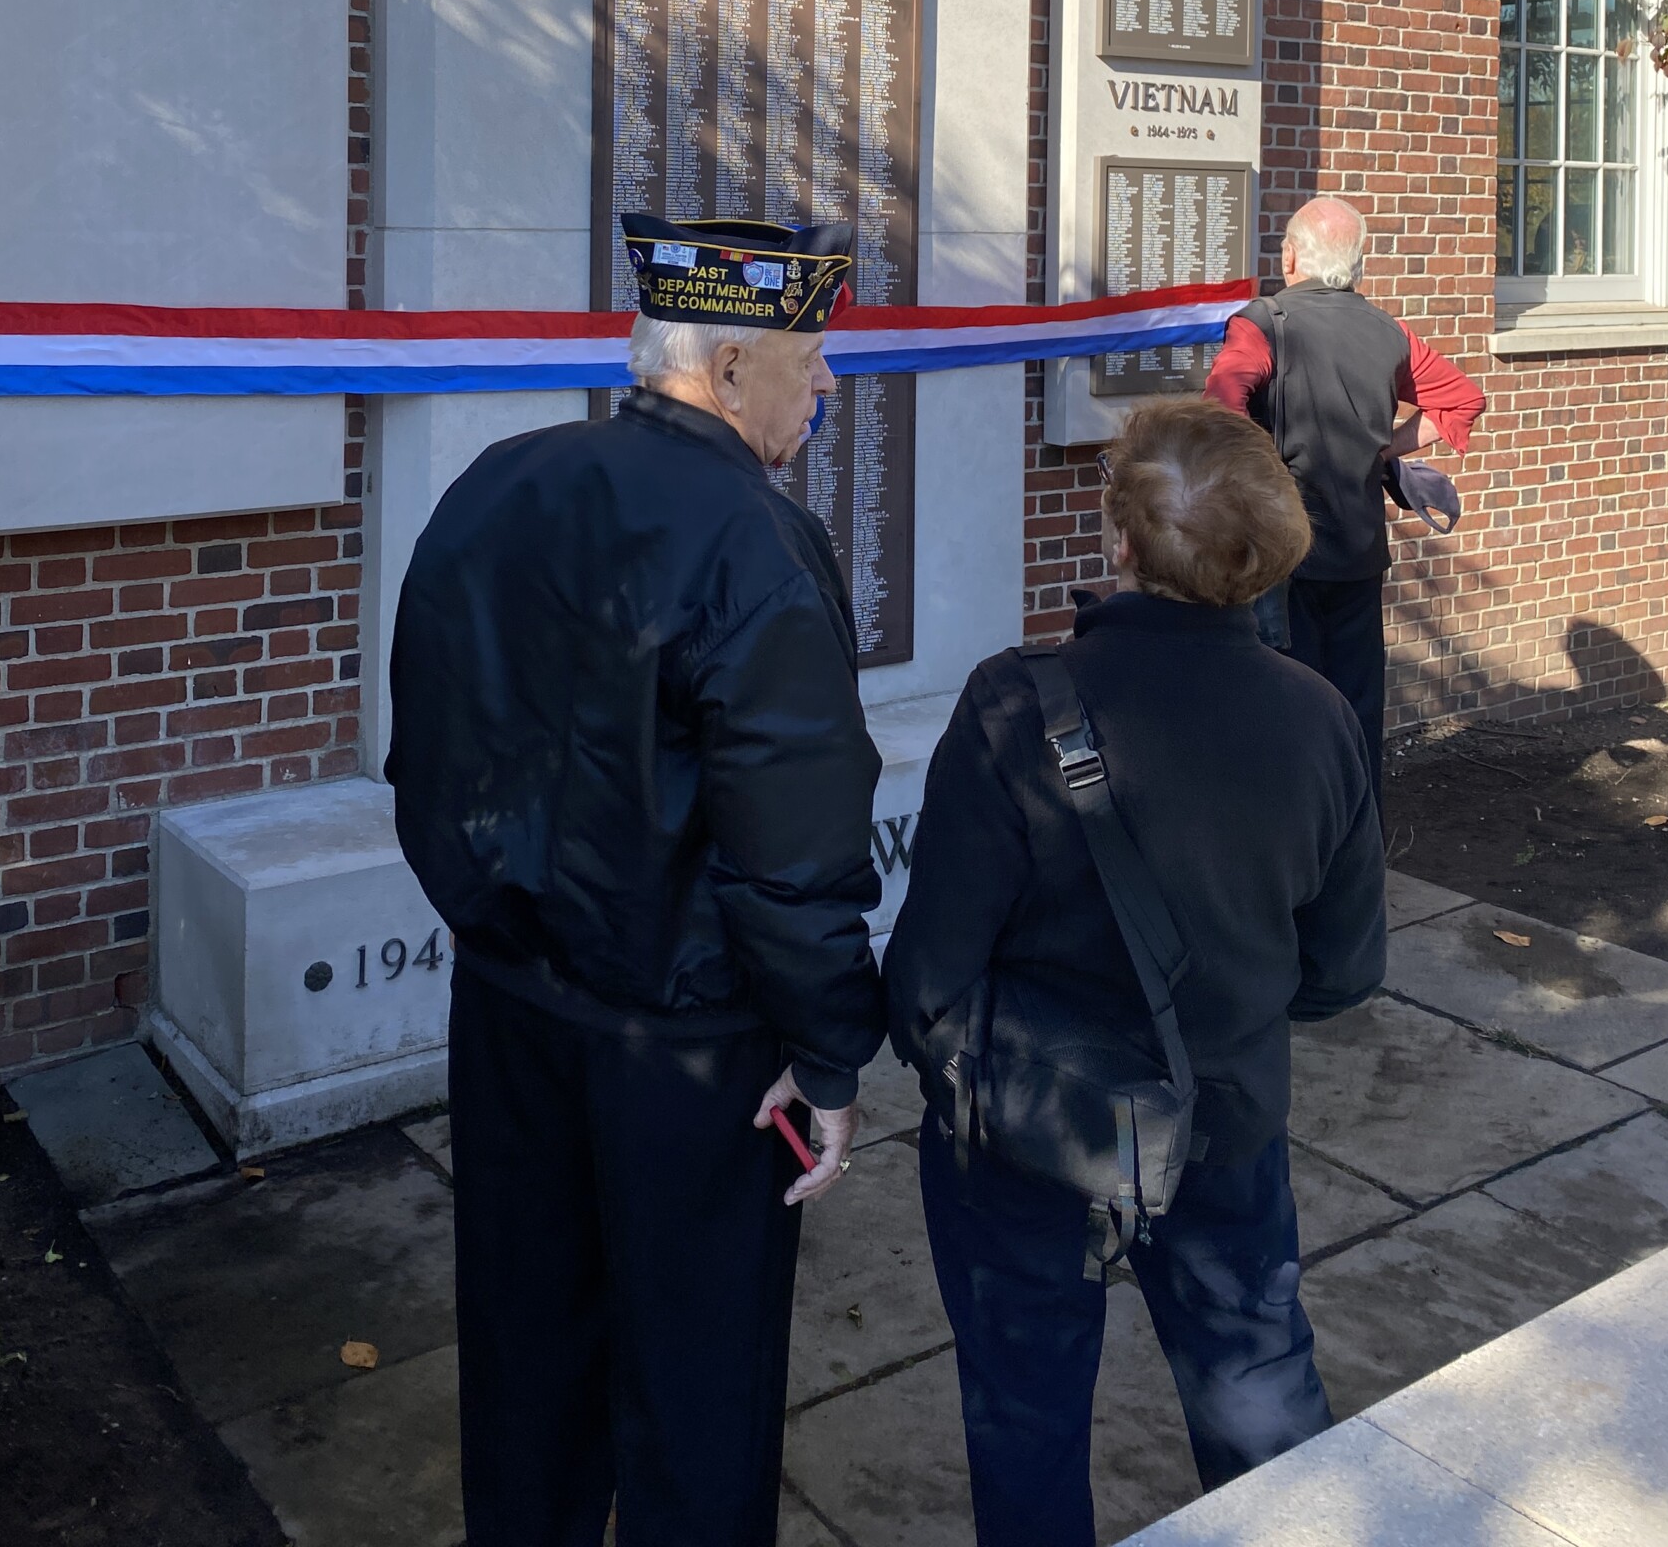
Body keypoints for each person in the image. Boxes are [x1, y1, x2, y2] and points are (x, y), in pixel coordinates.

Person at [387, 212, 885, 1547]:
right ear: (725, 372)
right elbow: (798, 848)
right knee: (697, 1393)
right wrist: (829, 1057)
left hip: (509, 1011)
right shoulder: (758, 546)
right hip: (691, 1050)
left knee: (526, 1355)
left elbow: (424, 750)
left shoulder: (498, 481)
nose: (829, 383)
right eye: (812, 355)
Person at [886, 398, 1387, 1547]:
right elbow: (1345, 965)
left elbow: (929, 974)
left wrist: (968, 1070)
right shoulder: (1319, 718)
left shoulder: (1016, 703)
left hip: (1026, 1134)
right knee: (1262, 1409)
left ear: (1119, 538)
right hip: (1223, 1122)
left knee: (1026, 1425)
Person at [1204, 196, 1485, 795]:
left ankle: (1300, 867)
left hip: (1284, 558)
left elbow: (1220, 409)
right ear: (1358, 264)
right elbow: (1462, 399)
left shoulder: (1264, 323)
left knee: (1288, 712)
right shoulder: (1389, 331)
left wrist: (1258, 472)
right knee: (1357, 717)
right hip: (1360, 554)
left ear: (1291, 257)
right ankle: (1361, 865)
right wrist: (1386, 449)